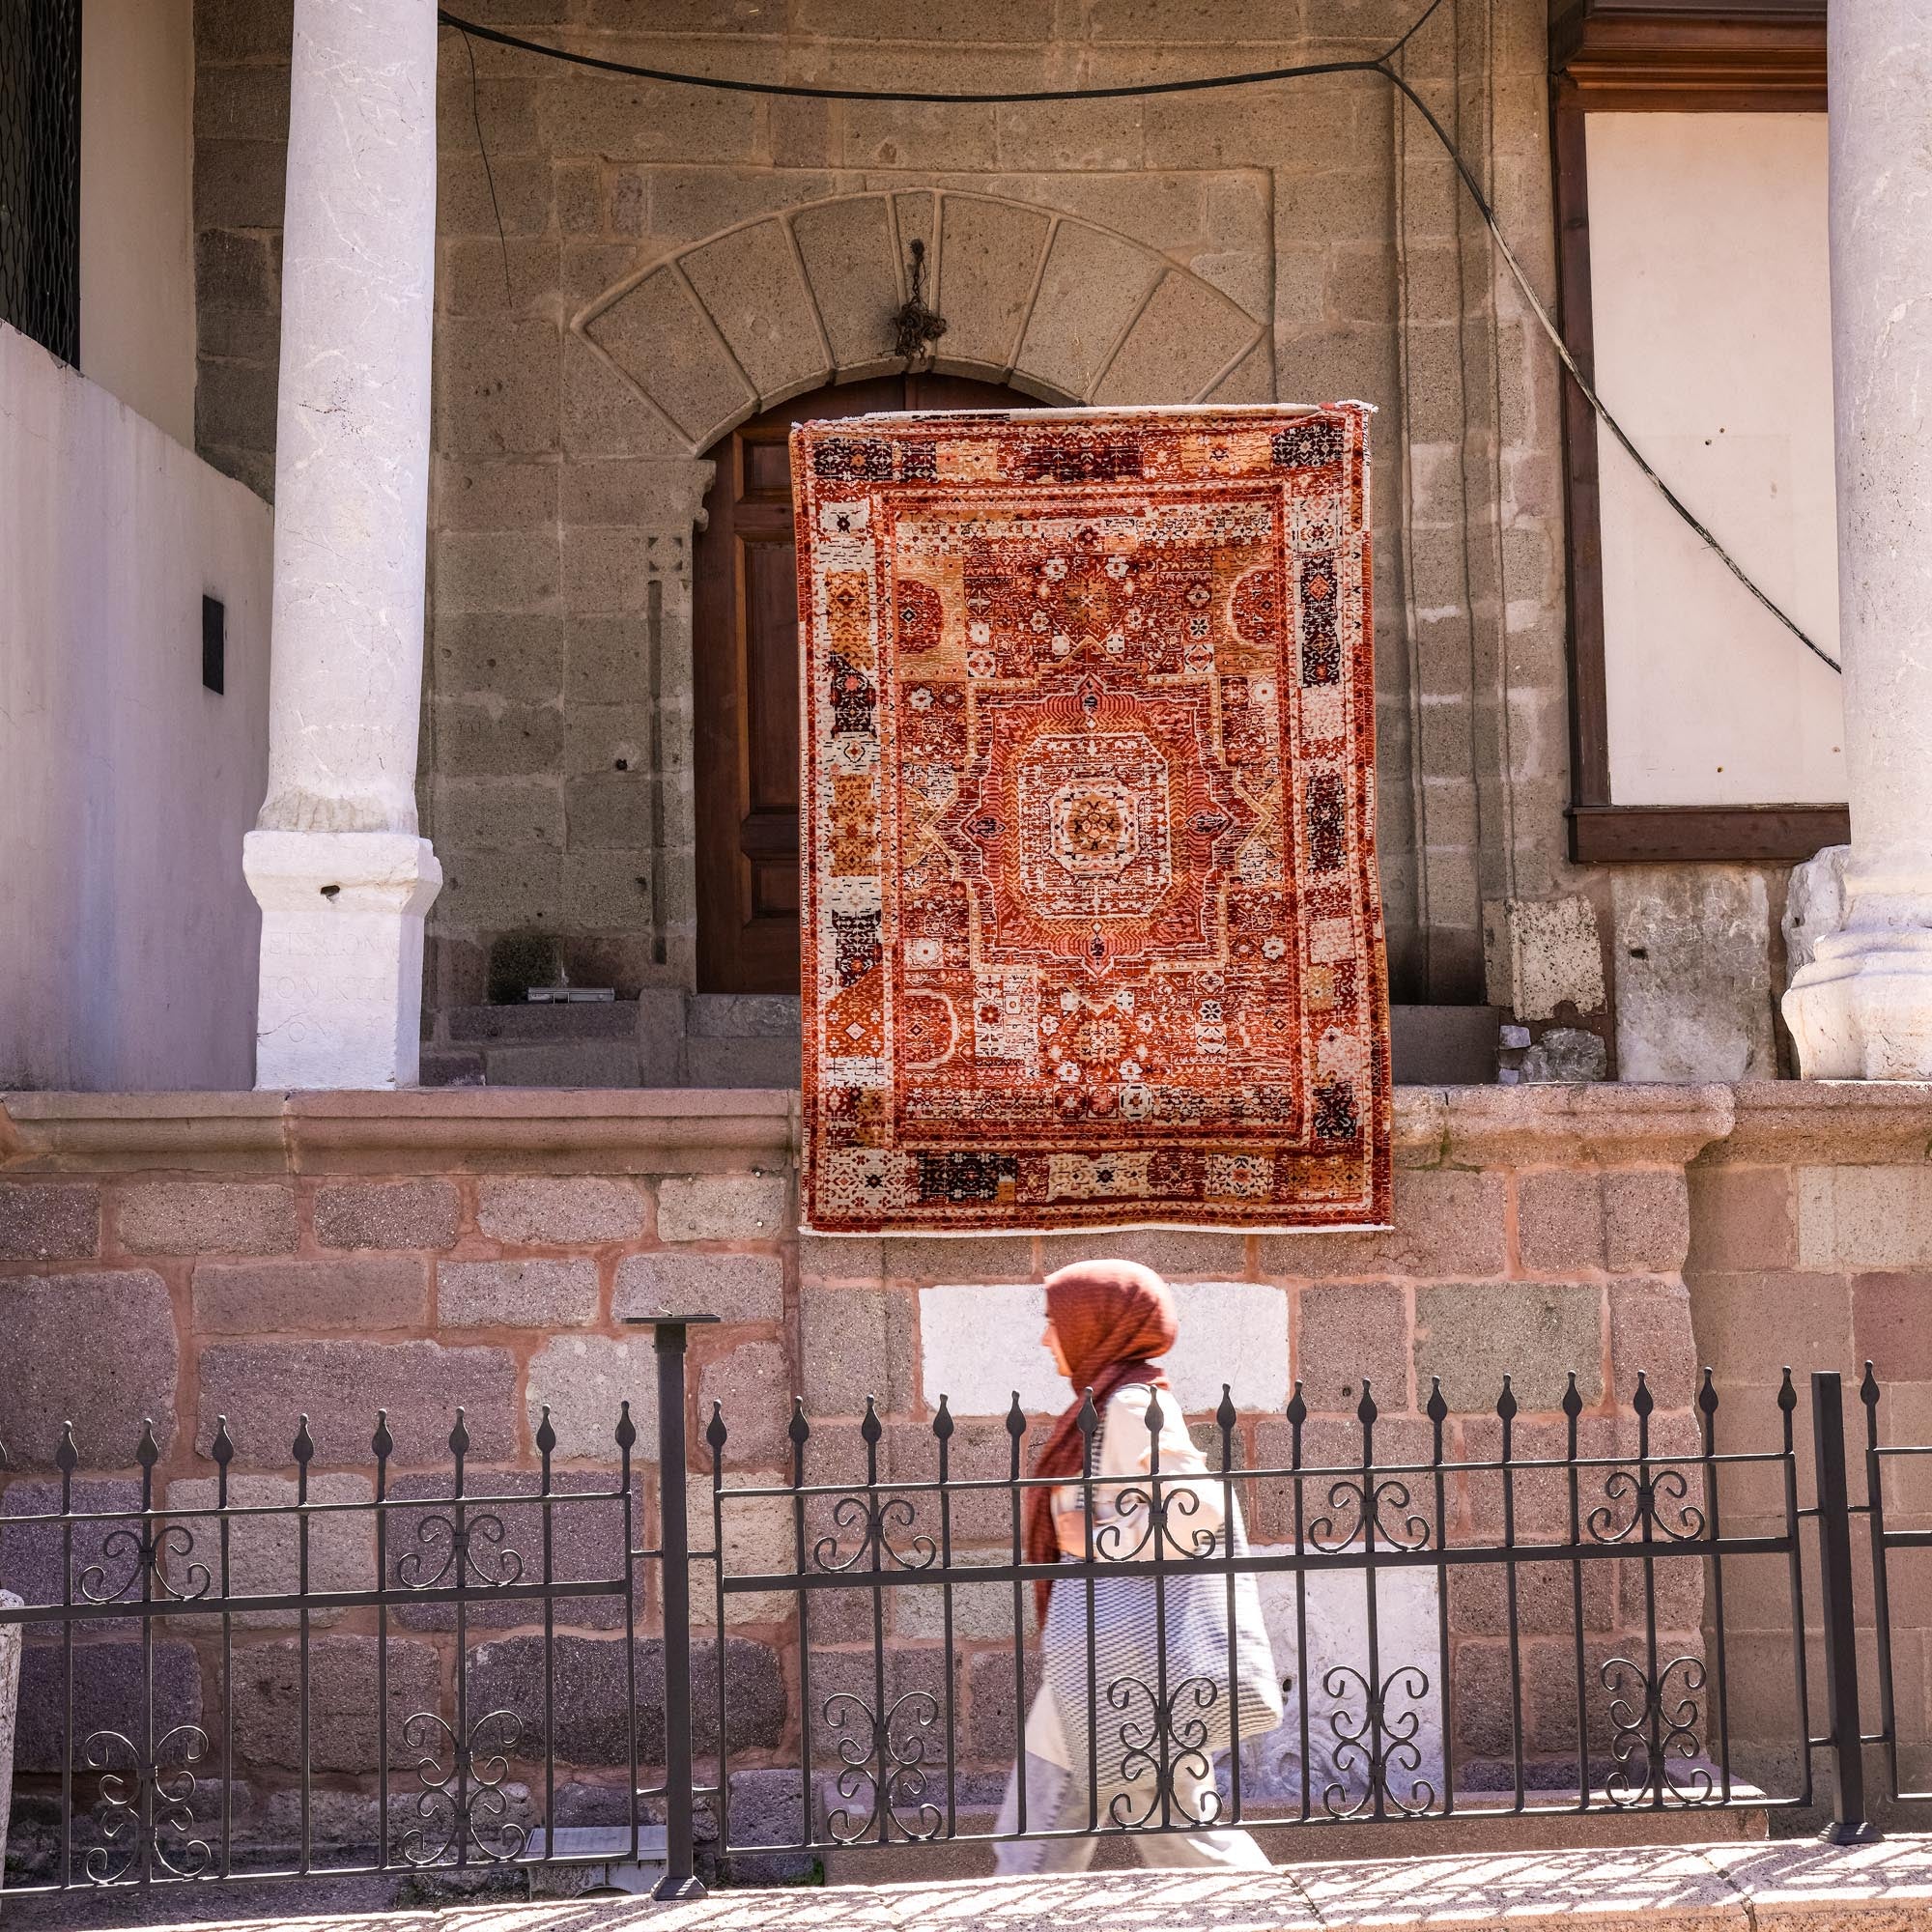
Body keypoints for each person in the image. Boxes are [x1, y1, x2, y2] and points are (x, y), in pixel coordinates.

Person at [991, 1258, 1280, 1875]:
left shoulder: (1128, 1404)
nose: (1047, 1339)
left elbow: (1199, 1510)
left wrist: (1091, 1535)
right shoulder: (1107, 1403)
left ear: (1097, 1324)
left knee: (1051, 1836)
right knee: (1153, 1830)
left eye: (1055, 1322)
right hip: (1109, 1663)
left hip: (1124, 1666)